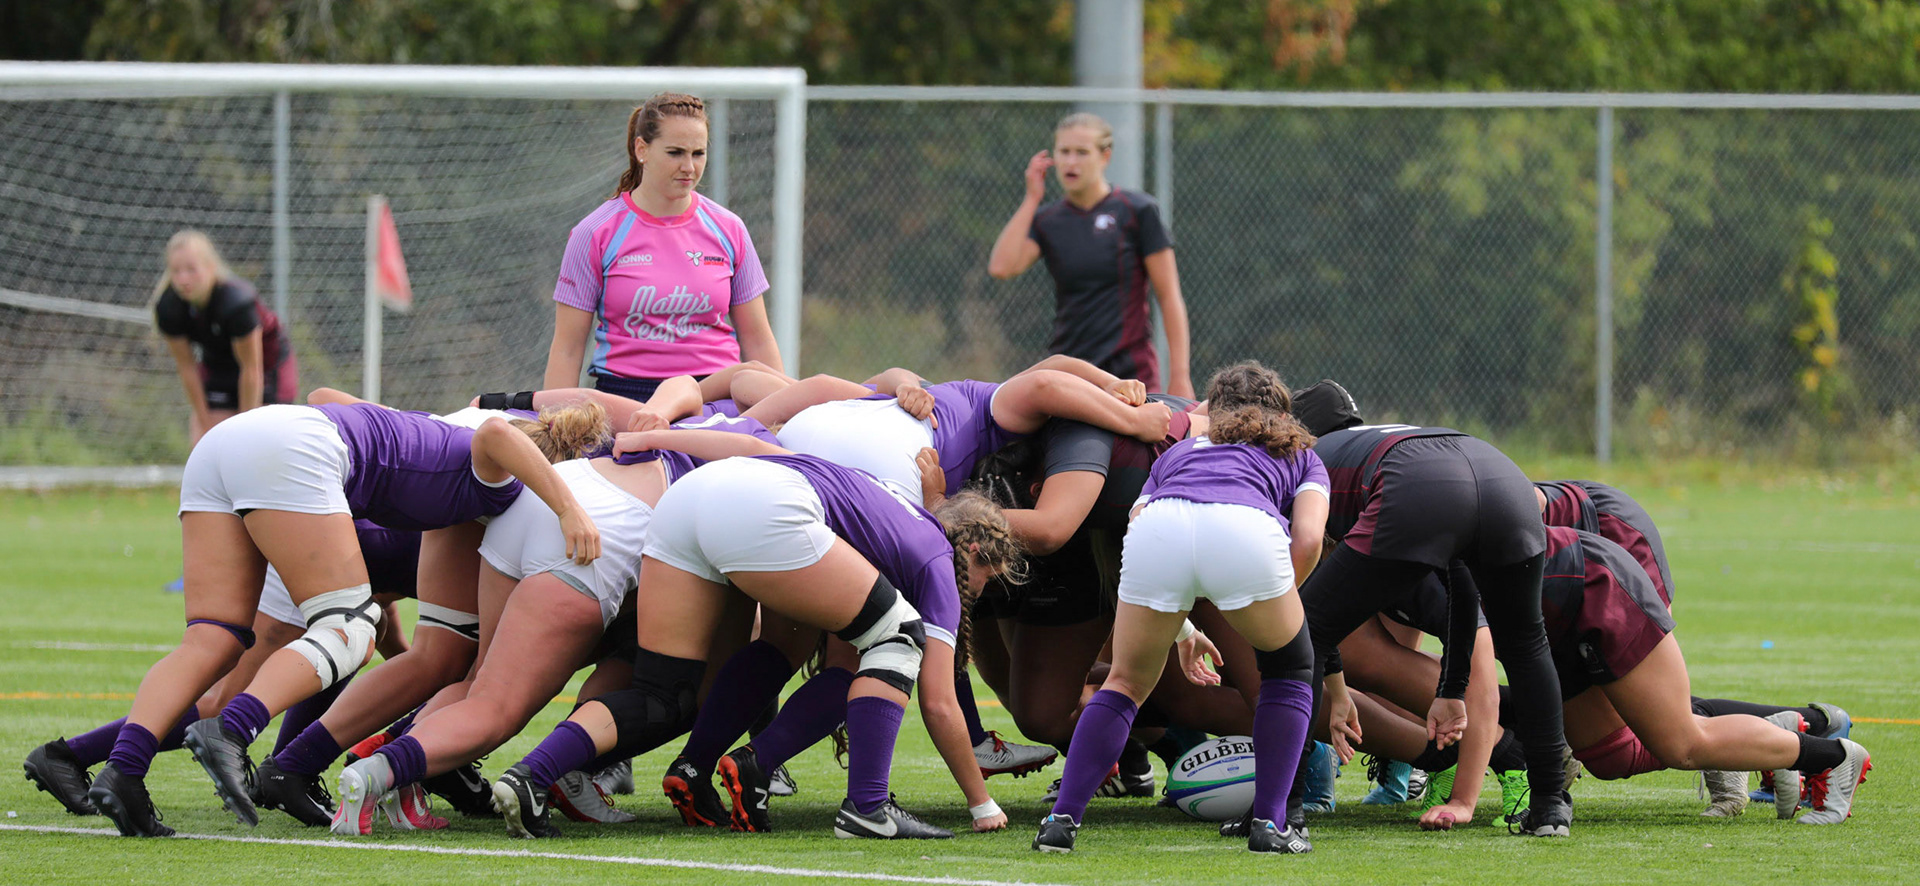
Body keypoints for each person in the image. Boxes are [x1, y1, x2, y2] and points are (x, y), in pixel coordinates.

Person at [84, 401, 597, 838]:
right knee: (350, 628)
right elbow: (495, 432)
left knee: (214, 639)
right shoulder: (502, 475)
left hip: (229, 442)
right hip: (293, 451)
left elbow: (330, 396)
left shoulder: (441, 435)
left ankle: (124, 771)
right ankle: (233, 730)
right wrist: (568, 507)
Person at [485, 432, 1024, 840]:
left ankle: (536, 773)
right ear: (975, 551)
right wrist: (982, 804)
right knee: (901, 637)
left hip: (691, 496)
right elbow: (940, 700)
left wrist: (655, 437)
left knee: (663, 694)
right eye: (986, 579)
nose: (979, 590)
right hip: (766, 509)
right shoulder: (936, 554)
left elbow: (750, 445)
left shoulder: (887, 505)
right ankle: (868, 807)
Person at [1034, 361, 1326, 855]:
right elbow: (1310, 537)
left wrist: (1184, 626)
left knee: (1124, 682)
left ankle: (1061, 821)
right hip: (1246, 530)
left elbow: (1142, 518)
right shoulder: (1298, 451)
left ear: (1211, 409)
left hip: (1158, 529)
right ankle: (1272, 825)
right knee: (1290, 668)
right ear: (1282, 413)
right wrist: (1276, 594)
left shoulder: (1182, 449)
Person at [21, 521, 414, 819]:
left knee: (357, 638)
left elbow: (382, 606)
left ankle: (287, 771)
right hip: (310, 537)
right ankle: (67, 756)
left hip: (316, 528)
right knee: (220, 703)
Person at [1294, 420, 1574, 838]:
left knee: (1300, 629)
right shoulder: (1356, 445)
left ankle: (1284, 804)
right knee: (1526, 643)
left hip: (1420, 484)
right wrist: (1449, 690)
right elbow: (1458, 578)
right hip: (1505, 475)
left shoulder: (1299, 463)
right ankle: (1551, 804)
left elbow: (1307, 598)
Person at [543, 93, 782, 401]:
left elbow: (758, 340)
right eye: (675, 153)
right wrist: (556, 426)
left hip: (715, 399)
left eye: (698, 153)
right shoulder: (594, 232)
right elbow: (567, 348)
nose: (689, 167)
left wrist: (783, 418)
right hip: (627, 399)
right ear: (641, 149)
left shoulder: (729, 228)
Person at [987, 113, 1192, 399]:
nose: (1071, 162)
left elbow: (1169, 297)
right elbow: (1002, 267)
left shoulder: (1137, 210)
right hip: (1071, 372)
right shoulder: (1048, 219)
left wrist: (1180, 377)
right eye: (1064, 152)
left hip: (1132, 372)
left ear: (1104, 157)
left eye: (1082, 152)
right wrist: (1032, 197)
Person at [152, 230, 298, 448]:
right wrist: (204, 423)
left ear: (210, 267)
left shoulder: (236, 303)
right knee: (207, 446)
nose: (183, 279)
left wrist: (245, 430)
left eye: (191, 270)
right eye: (176, 271)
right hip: (220, 368)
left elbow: (251, 369)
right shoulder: (168, 307)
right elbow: (187, 368)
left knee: (258, 445)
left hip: (267, 369)